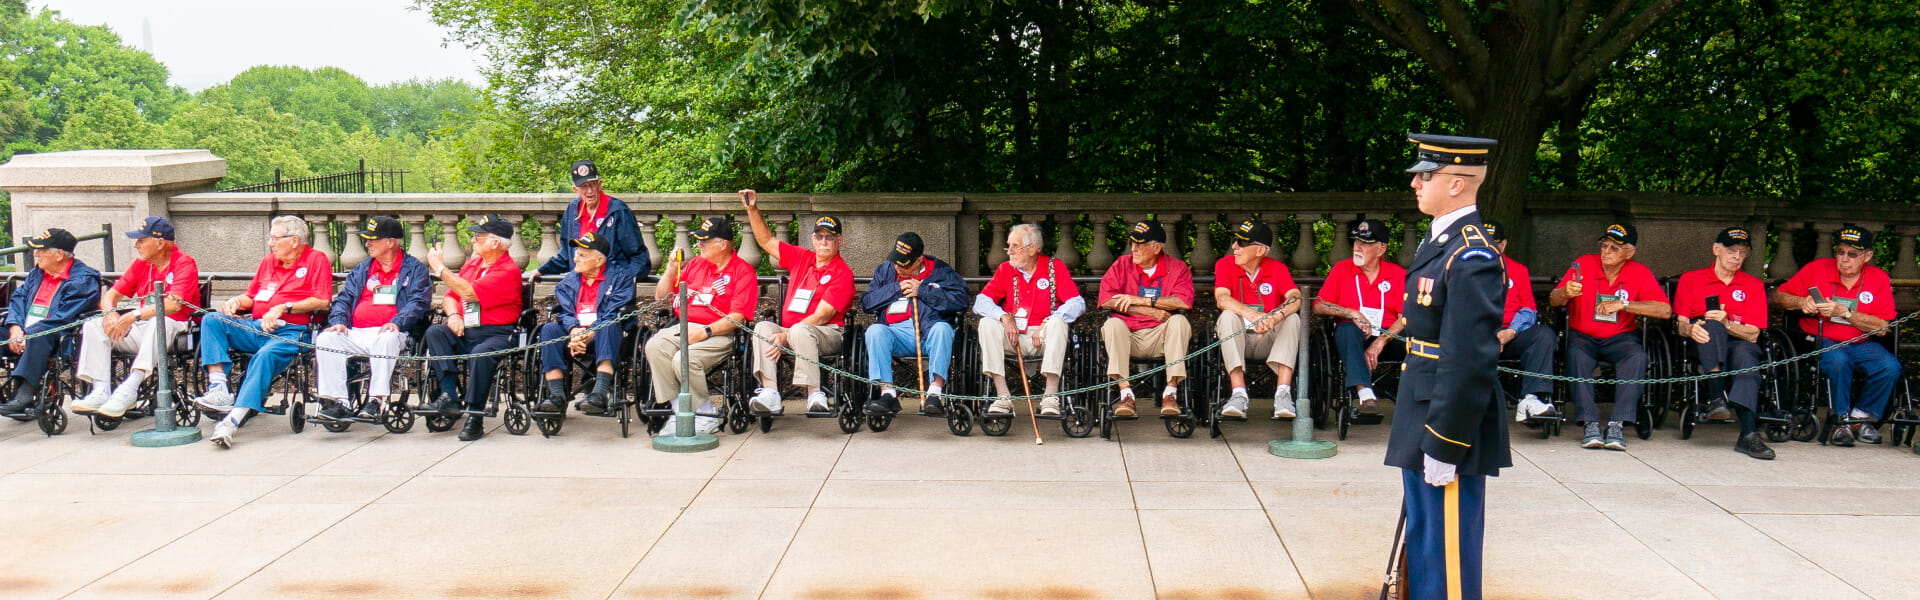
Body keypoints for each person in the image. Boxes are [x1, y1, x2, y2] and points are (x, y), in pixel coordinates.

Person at [1382, 133, 1509, 600]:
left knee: (1447, 554)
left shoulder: (1471, 253)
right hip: (1424, 404)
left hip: (1446, 418)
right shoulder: (1442, 241)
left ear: (1456, 184)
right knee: (1426, 543)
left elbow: (1470, 356)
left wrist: (1446, 441)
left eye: (1425, 175)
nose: (1415, 183)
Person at [192, 216, 335, 449]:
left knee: (264, 357)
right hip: (257, 325)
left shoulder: (316, 260)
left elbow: (322, 301)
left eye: (275, 238)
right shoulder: (269, 261)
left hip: (291, 332)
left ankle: (232, 421)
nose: (270, 243)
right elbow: (252, 296)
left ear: (295, 240)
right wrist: (236, 301)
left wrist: (284, 307)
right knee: (213, 320)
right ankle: (218, 389)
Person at [1773, 224, 1900, 447]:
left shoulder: (1878, 279)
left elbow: (1882, 327)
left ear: (1867, 256)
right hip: (1821, 337)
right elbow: (1779, 296)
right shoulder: (1818, 268)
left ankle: (1861, 417)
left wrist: (1846, 313)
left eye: (1853, 255)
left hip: (1859, 340)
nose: (1844, 259)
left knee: (1890, 366)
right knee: (1838, 361)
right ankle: (1840, 420)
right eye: (1840, 252)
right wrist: (1802, 302)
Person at [1549, 222, 1671, 451]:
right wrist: (1565, 292)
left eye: (1614, 248)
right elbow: (1554, 300)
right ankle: (1590, 423)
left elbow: (1664, 310)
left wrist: (1625, 305)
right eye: (1604, 245)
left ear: (1629, 253)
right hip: (1583, 335)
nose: (1606, 251)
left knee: (1637, 358)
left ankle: (1617, 423)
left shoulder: (1639, 272)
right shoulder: (1584, 264)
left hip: (1621, 338)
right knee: (1575, 355)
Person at [72, 217, 201, 419]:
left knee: (161, 322)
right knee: (93, 325)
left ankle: (130, 388)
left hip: (176, 329)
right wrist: (109, 315)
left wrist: (133, 315)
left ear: (160, 242)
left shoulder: (184, 263)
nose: (136, 245)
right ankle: (100, 390)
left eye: (141, 240)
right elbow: (110, 296)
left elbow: (173, 304)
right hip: (142, 327)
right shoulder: (141, 264)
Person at [740, 189, 855, 415]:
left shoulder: (843, 273)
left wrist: (786, 335)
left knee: (802, 329)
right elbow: (766, 241)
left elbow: (822, 316)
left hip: (827, 333)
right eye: (819, 236)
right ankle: (770, 393)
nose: (824, 241)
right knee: (763, 327)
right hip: (792, 330)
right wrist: (752, 209)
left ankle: (815, 394)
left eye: (829, 237)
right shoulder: (803, 258)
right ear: (812, 238)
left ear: (839, 240)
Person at [313, 217, 433, 422]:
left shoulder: (414, 269)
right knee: (326, 339)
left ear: (391, 242)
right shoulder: (363, 268)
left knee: (386, 337)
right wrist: (338, 321)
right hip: (356, 332)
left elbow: (418, 302)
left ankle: (376, 400)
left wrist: (398, 321)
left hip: (392, 332)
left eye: (372, 240)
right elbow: (344, 298)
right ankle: (338, 402)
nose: (367, 244)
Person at [647, 216, 758, 434]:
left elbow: (738, 316)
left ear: (723, 244)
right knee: (654, 346)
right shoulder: (696, 264)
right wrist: (671, 269)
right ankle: (680, 411)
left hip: (719, 332)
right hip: (684, 325)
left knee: (683, 360)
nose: (698, 245)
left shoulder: (742, 271)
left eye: (704, 241)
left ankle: (705, 414)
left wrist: (705, 331)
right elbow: (661, 296)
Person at [422, 214, 527, 442]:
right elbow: (450, 295)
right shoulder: (473, 264)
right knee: (435, 332)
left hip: (495, 332)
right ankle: (449, 395)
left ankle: (475, 415)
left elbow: (469, 292)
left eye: (478, 237)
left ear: (496, 243)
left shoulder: (508, 271)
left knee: (481, 354)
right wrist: (454, 315)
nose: (473, 241)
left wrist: (440, 268)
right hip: (465, 328)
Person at [1673, 227, 1773, 459]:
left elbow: (1753, 333)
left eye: (1742, 252)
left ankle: (1748, 435)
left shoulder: (1753, 285)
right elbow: (1680, 324)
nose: (1736, 257)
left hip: (1740, 342)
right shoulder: (1691, 279)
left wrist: (1728, 324)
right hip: (1703, 342)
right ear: (1716, 250)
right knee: (1710, 324)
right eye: (1731, 251)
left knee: (1745, 360)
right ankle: (1717, 396)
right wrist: (1691, 329)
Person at [973, 223, 1085, 416]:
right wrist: (1003, 316)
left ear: (1033, 248)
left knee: (1059, 323)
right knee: (987, 323)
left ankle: (1050, 397)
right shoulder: (1005, 270)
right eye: (1008, 246)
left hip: (1043, 338)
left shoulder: (1054, 267)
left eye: (1015, 246)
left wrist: (1049, 321)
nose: (1009, 252)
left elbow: (1077, 303)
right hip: (1012, 336)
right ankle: (1002, 396)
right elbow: (980, 302)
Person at [860, 232, 968, 416]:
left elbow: (961, 301)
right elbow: (867, 303)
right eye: (896, 261)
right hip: (896, 334)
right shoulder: (886, 271)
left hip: (929, 333)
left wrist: (923, 291)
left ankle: (935, 392)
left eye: (905, 264)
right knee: (875, 331)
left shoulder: (941, 271)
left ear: (919, 261)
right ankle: (887, 393)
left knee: (943, 329)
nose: (898, 267)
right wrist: (896, 288)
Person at [1097, 220, 1195, 417]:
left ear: (1157, 247)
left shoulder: (1177, 268)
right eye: (1132, 243)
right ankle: (1125, 394)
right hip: (1127, 335)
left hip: (1162, 337)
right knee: (1112, 324)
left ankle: (1170, 393)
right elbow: (1106, 300)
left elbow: (1183, 302)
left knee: (1179, 321)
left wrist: (1142, 300)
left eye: (1140, 244)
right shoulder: (1122, 264)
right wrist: (1146, 311)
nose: (1134, 248)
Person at [0, 229, 102, 418]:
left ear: (59, 255)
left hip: (59, 337)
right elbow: (18, 298)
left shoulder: (83, 280)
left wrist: (28, 334)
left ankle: (25, 394)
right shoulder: (38, 273)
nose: (36, 254)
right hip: (24, 331)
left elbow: (64, 318)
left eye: (41, 250)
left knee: (40, 335)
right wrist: (15, 328)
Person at [1211, 219, 1305, 420]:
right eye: (1235, 241)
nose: (1235, 247)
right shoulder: (1225, 265)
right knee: (1227, 315)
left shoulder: (1277, 269)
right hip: (1238, 338)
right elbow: (1222, 298)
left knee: (1293, 319)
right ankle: (1238, 394)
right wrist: (1251, 314)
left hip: (1269, 341)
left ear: (1261, 250)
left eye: (1242, 243)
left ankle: (1283, 394)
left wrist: (1274, 317)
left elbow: (1295, 297)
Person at [535, 232, 638, 415]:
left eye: (582, 255)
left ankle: (599, 394)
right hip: (575, 336)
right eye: (576, 253)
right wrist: (574, 331)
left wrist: (591, 332)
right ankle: (556, 396)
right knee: (549, 329)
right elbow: (566, 313)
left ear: (598, 260)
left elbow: (613, 312)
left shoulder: (620, 279)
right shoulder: (567, 283)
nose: (576, 259)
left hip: (606, 335)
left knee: (608, 325)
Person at [1313, 218, 1407, 415]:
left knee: (1418, 340)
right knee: (1346, 329)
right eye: (1356, 242)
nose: (1358, 247)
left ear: (1381, 248)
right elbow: (1319, 305)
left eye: (1365, 244)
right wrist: (1351, 313)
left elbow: (1405, 316)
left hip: (1388, 338)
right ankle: (1364, 393)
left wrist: (1381, 341)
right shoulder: (1342, 269)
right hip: (1352, 339)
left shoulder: (1397, 274)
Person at [1480, 220, 1559, 422]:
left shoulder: (1518, 270)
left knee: (1543, 335)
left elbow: (1528, 310)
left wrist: (1512, 332)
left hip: (1511, 334)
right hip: (1477, 336)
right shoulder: (1463, 270)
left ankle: (1532, 400)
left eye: (1493, 243)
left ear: (1503, 245)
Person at [535, 159, 649, 280]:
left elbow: (639, 257)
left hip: (609, 285)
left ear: (599, 184)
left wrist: (622, 281)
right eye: (584, 186)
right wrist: (542, 270)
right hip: (580, 285)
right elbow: (567, 255)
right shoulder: (572, 210)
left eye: (592, 185)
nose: (589, 191)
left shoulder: (618, 211)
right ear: (575, 189)